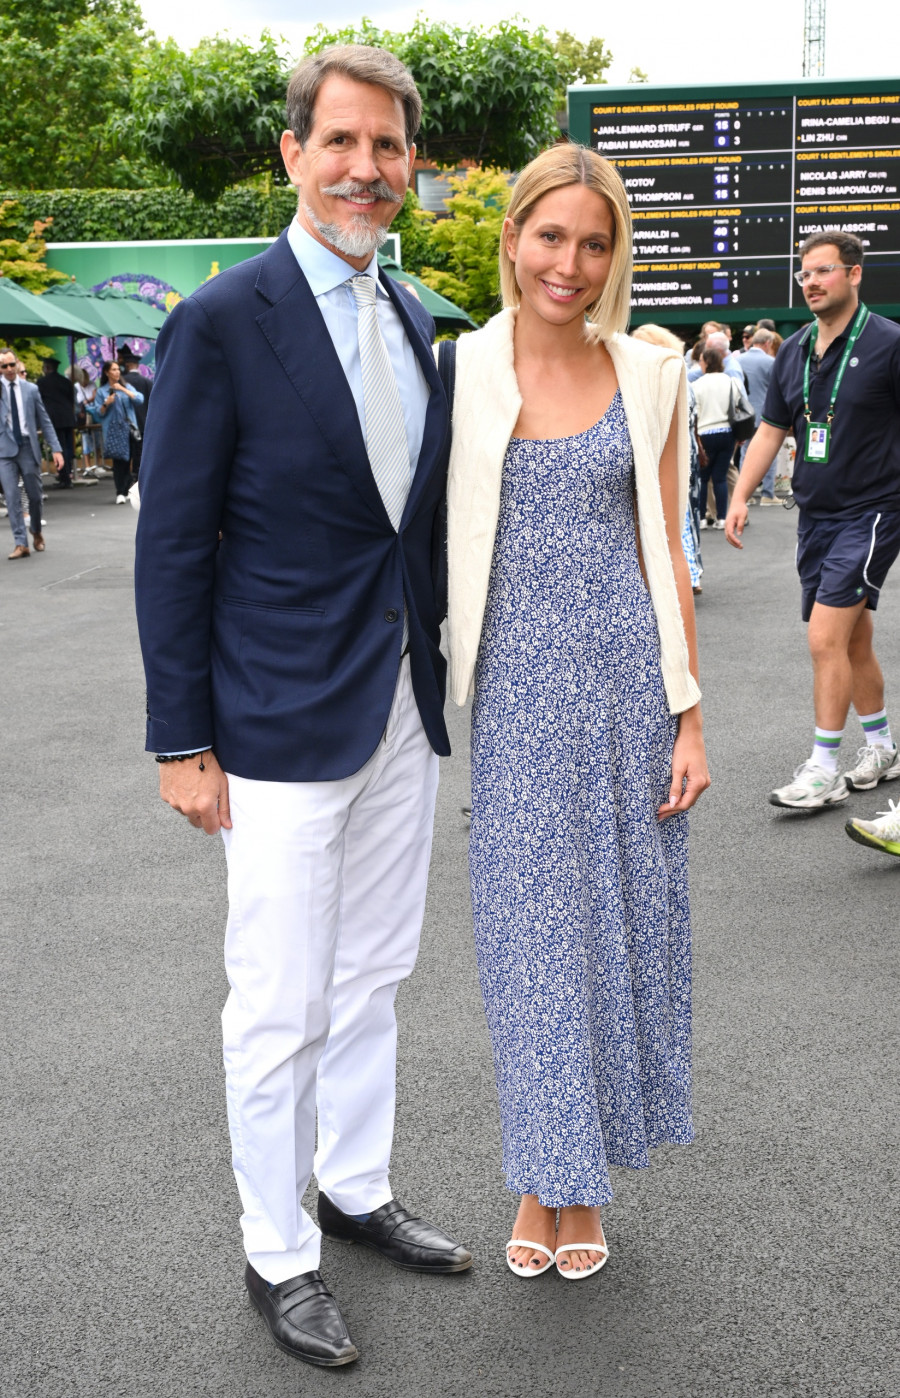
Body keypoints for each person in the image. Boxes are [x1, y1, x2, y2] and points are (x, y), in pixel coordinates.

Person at [135, 43, 469, 1370]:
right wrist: (180, 736)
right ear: (292, 154)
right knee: (276, 999)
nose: (365, 170)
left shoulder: (414, 314)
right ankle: (280, 1251)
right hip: (270, 718)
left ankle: (356, 1182)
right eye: (341, 142)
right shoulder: (223, 319)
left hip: (397, 700)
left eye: (388, 149)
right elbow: (175, 542)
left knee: (376, 972)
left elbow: (416, 522)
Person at [446, 143, 709, 1281]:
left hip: (628, 692)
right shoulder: (458, 369)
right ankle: (539, 1175)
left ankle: (583, 1179)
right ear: (512, 240)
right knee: (530, 947)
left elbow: (667, 554)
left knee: (621, 941)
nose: (571, 261)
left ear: (615, 258)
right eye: (551, 236)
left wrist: (690, 716)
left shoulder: (649, 373)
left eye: (594, 243)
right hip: (511, 694)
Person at [726, 229, 900, 808]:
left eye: (824, 271)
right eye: (805, 274)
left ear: (853, 274)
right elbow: (771, 432)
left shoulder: (888, 343)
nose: (812, 282)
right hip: (816, 516)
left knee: (825, 636)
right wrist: (740, 495)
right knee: (853, 642)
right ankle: (881, 748)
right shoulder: (795, 351)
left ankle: (823, 769)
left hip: (873, 512)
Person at [632, 323, 702, 592]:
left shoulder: (658, 383)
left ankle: (679, 578)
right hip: (686, 454)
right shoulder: (684, 380)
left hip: (663, 455)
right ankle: (692, 574)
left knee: (670, 519)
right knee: (684, 517)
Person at [0, 346, 63, 558]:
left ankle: (36, 530)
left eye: (11, 364)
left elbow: (44, 420)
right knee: (11, 497)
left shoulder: (31, 389)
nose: (9, 369)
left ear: (17, 364)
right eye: (3, 366)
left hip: (28, 446)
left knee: (35, 496)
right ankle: (21, 543)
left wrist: (56, 448)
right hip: (4, 450)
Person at [692, 345, 735, 529]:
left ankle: (701, 518)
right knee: (720, 477)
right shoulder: (730, 381)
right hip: (727, 432)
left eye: (701, 361)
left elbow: (694, 412)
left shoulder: (697, 385)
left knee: (702, 478)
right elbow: (738, 404)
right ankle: (722, 517)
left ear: (707, 362)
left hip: (704, 434)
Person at [87, 360, 142, 502]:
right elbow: (98, 413)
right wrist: (107, 403)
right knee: (118, 461)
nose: (117, 372)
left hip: (128, 428)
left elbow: (139, 399)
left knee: (129, 459)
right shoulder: (102, 391)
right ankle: (120, 492)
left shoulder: (126, 386)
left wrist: (123, 389)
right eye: (113, 369)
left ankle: (127, 488)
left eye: (118, 369)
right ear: (107, 372)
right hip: (113, 430)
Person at [738, 329, 776, 503]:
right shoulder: (771, 362)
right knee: (770, 453)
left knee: (746, 453)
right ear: (767, 343)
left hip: (743, 415)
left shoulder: (737, 360)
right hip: (764, 415)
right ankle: (767, 494)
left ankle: (744, 496)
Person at [37, 355, 77, 487]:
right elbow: (72, 399)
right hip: (67, 417)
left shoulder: (42, 382)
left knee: (60, 448)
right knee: (68, 447)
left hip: (54, 418)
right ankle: (68, 473)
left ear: (47, 368)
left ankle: (65, 477)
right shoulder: (65, 382)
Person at [117, 345, 152, 479]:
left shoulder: (123, 382)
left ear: (127, 365)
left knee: (127, 453)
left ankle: (126, 478)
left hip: (127, 423)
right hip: (143, 423)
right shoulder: (148, 382)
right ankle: (138, 475)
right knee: (140, 452)